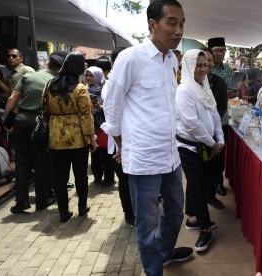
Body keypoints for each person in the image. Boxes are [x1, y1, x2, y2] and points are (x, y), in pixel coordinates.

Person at [101, 1, 192, 274]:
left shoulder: (169, 61)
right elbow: (112, 106)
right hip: (143, 159)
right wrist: (120, 144)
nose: (178, 31)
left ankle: (163, 254)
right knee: (146, 226)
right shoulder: (131, 58)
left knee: (176, 212)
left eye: (182, 24)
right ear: (153, 24)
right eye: (172, 23)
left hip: (170, 155)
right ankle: (153, 270)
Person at [4, 51, 67, 213]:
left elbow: (12, 99)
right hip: (42, 123)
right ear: (60, 68)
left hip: (22, 120)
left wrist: (7, 121)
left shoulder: (28, 77)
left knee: (21, 162)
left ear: (48, 64)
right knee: (41, 162)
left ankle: (21, 202)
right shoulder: (56, 81)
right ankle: (42, 201)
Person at [176, 49, 224, 252]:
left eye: (205, 65)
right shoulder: (184, 90)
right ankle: (205, 228)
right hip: (189, 147)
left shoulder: (203, 86)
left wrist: (220, 138)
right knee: (198, 185)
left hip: (206, 145)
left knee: (199, 184)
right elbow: (191, 123)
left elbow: (214, 114)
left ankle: (194, 219)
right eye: (198, 65)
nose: (203, 69)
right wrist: (212, 143)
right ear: (188, 66)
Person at [43, 52, 96, 223]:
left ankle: (63, 211)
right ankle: (82, 207)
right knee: (80, 174)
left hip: (55, 137)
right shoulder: (80, 89)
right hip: (78, 138)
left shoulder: (49, 85)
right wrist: (91, 138)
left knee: (60, 176)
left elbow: (44, 110)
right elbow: (86, 116)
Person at [101, 46, 134, 226]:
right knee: (125, 180)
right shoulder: (111, 85)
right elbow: (112, 118)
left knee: (130, 181)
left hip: (127, 140)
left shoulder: (121, 80)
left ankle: (132, 212)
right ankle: (129, 214)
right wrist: (121, 146)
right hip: (119, 143)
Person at [203, 48, 228, 205]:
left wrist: (211, 126)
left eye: (209, 60)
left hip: (215, 129)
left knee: (215, 164)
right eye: (203, 60)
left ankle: (211, 195)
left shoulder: (220, 82)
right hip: (197, 133)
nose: (207, 64)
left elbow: (222, 108)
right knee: (201, 168)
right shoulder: (192, 83)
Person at [85, 66, 115, 187]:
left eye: (91, 75)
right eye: (86, 75)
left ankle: (109, 178)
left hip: (104, 125)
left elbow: (113, 107)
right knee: (94, 152)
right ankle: (97, 177)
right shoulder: (85, 89)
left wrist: (100, 108)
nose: (88, 78)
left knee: (106, 154)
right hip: (91, 125)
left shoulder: (107, 88)